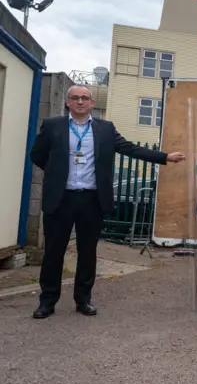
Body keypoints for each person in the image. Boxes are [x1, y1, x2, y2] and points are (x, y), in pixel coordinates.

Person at [29, 85, 186, 319]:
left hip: (92, 199)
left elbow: (130, 149)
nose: (80, 102)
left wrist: (164, 157)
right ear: (68, 103)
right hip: (60, 199)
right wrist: (56, 174)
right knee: (53, 253)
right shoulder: (53, 126)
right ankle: (47, 302)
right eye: (75, 98)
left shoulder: (105, 129)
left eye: (84, 98)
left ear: (92, 103)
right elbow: (37, 155)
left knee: (87, 252)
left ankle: (83, 300)